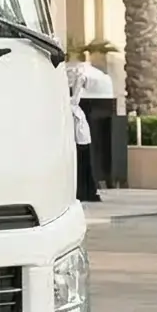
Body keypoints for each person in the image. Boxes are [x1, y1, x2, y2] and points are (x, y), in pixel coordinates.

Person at [67, 56, 112, 203]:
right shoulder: (76, 109)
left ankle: (84, 191)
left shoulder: (74, 108)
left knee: (82, 164)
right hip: (81, 139)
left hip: (80, 140)